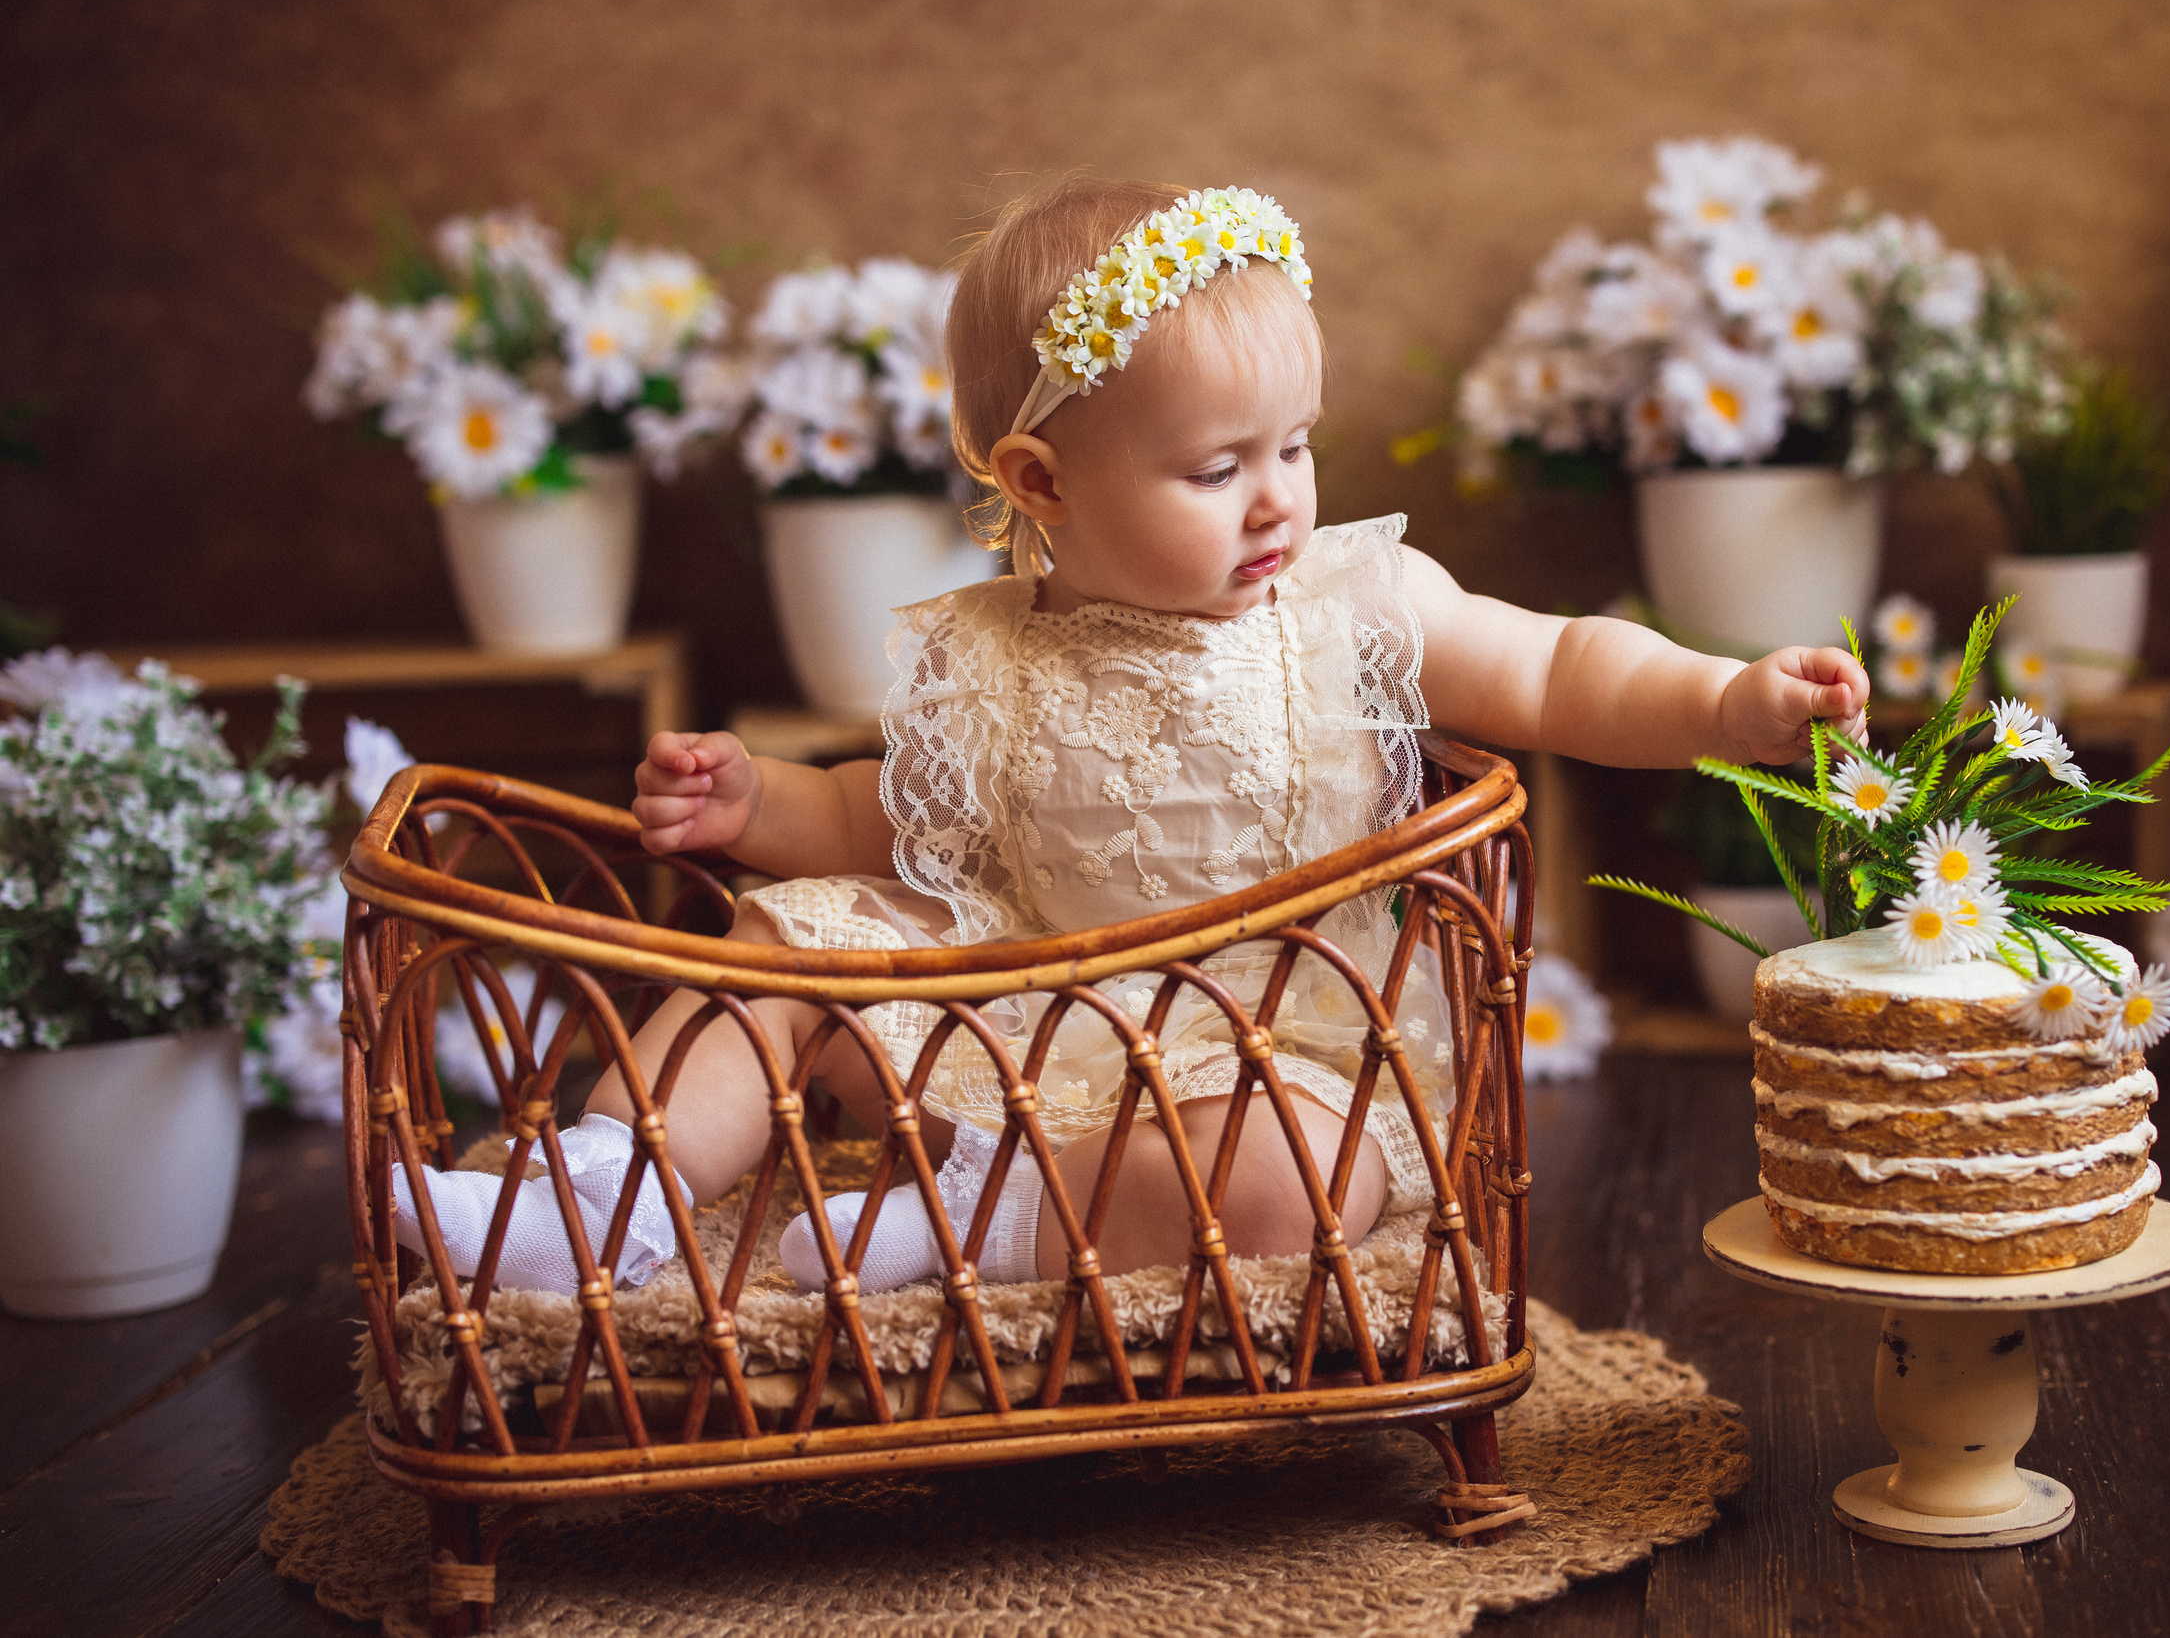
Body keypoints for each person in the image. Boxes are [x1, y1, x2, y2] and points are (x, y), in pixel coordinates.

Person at [393, 177, 1867, 1297]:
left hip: (1272, 1036)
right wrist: (757, 802)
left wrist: (1726, 704)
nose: (1280, 497)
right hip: (1022, 1004)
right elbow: (884, 828)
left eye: (1295, 446)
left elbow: (1559, 670)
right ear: (1042, 480)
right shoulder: (993, 651)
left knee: (1306, 1185)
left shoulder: (1351, 600)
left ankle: (978, 1224)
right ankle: (602, 1192)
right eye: (1219, 468)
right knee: (776, 947)